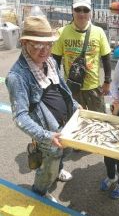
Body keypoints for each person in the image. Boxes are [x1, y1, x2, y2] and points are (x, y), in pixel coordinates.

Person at [6, 15, 79, 202]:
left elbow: (63, 88)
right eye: (38, 45)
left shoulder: (51, 62)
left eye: (48, 44)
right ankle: (40, 191)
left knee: (65, 151)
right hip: (46, 131)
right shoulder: (17, 76)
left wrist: (77, 107)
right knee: (49, 163)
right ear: (24, 43)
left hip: (65, 122)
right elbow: (20, 117)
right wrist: (46, 136)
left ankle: (59, 169)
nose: (45, 50)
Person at [52, 0, 111, 112]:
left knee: (99, 121)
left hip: (93, 87)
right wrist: (57, 85)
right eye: (78, 9)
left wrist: (107, 81)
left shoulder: (99, 32)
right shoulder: (62, 32)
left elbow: (106, 58)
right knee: (74, 121)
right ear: (72, 10)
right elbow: (55, 61)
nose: (82, 13)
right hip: (72, 88)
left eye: (85, 10)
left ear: (90, 12)